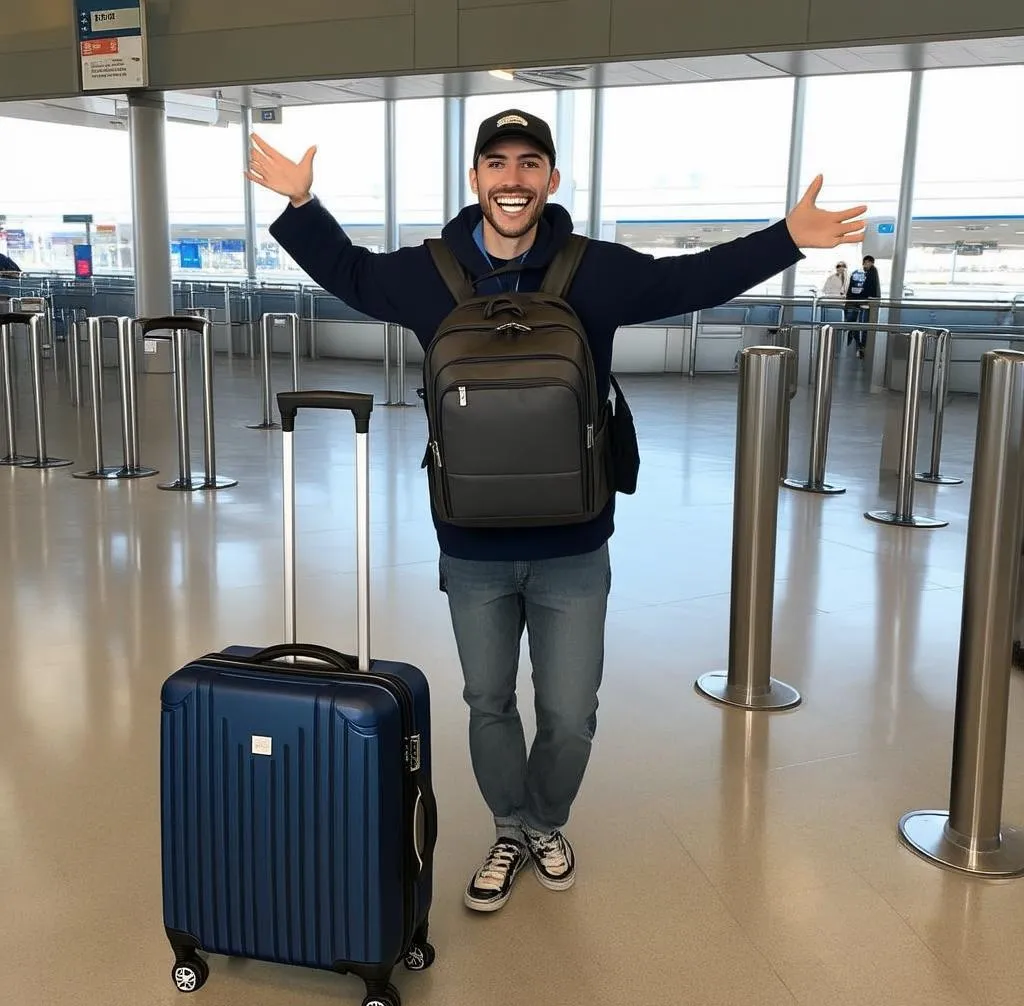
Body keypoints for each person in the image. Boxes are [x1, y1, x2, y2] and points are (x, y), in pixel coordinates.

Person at [247, 109, 866, 913]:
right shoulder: (429, 273)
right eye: (497, 164)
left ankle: (545, 820)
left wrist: (787, 237)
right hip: (469, 539)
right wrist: (302, 207)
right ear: (475, 179)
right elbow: (354, 275)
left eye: (529, 163)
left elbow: (689, 281)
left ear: (551, 179)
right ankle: (510, 826)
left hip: (574, 540)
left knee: (571, 714)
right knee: (488, 700)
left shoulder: (591, 271)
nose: (513, 178)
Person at [844, 254, 881, 358]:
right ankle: (859, 345)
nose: (867, 264)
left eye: (869, 262)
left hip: (864, 302)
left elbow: (871, 288)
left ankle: (860, 345)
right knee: (860, 324)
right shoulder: (868, 273)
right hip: (861, 302)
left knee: (860, 325)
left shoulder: (871, 273)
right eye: (866, 262)